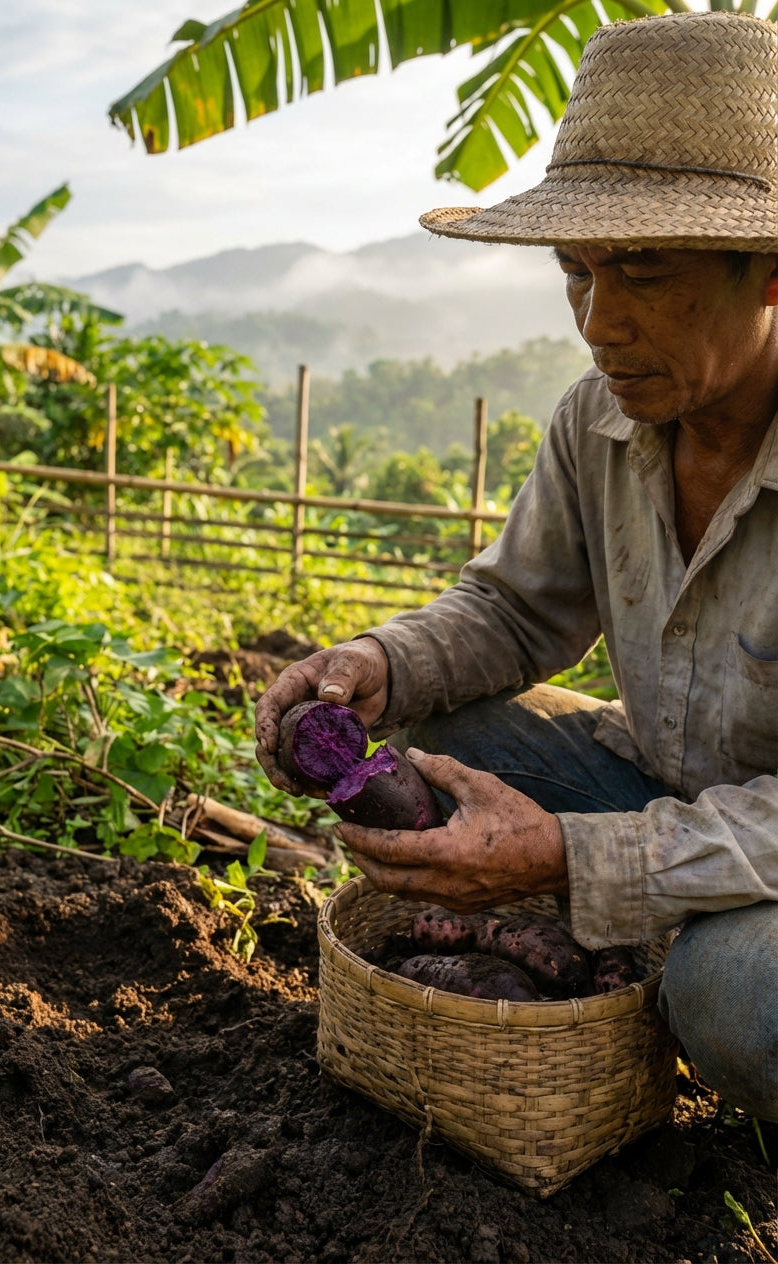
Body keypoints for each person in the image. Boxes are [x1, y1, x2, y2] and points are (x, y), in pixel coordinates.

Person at [255, 11, 778, 1121]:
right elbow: (511, 611)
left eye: (640, 270)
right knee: (440, 745)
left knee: (740, 991)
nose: (598, 320)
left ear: (768, 274)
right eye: (575, 272)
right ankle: (646, 957)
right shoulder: (597, 423)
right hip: (664, 792)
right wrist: (375, 663)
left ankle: (683, 975)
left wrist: (573, 862)